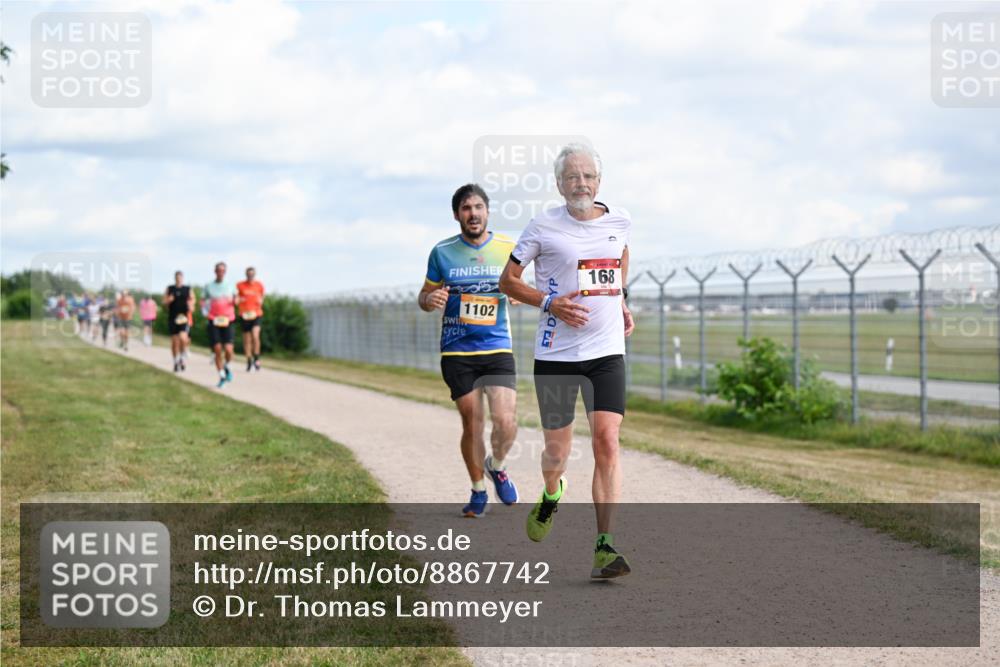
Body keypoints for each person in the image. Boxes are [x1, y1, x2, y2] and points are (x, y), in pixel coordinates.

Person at [499, 143, 635, 579]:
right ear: (559, 184)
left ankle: (604, 545)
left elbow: (620, 257)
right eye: (573, 177)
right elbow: (509, 281)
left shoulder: (620, 221)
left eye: (589, 176)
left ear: (599, 181)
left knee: (607, 442)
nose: (582, 184)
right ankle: (552, 494)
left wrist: (621, 299)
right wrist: (550, 303)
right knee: (558, 451)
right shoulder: (542, 226)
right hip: (557, 355)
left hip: (607, 352)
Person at [418, 183, 519, 518]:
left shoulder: (507, 247)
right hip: (457, 349)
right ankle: (478, 490)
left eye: (478, 207)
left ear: (487, 211)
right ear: (456, 215)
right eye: (465, 208)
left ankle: (497, 465)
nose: (473, 214)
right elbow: (424, 295)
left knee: (506, 422)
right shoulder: (442, 252)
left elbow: (520, 283)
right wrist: (429, 300)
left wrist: (520, 293)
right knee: (472, 422)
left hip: (497, 345)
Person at [204, 262, 238, 388]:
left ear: (225, 272)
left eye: (223, 270)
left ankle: (227, 366)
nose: (220, 272)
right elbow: (203, 301)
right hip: (214, 320)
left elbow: (237, 299)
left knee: (229, 349)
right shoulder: (209, 286)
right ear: (215, 271)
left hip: (228, 320)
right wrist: (204, 310)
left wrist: (235, 300)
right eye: (218, 270)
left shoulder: (230, 286)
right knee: (217, 349)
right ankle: (222, 375)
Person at [236, 267, 265, 372]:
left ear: (255, 274)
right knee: (247, 340)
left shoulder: (259, 285)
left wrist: (260, 301)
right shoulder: (240, 285)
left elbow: (262, 298)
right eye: (249, 274)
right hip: (245, 315)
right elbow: (236, 299)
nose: (250, 276)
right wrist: (239, 300)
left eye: (252, 274)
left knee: (255, 335)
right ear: (246, 274)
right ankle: (249, 360)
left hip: (256, 314)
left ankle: (257, 358)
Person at [164, 271, 194, 372]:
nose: (178, 279)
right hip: (172, 317)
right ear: (175, 278)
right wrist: (169, 300)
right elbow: (164, 302)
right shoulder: (170, 288)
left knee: (183, 338)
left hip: (183, 318)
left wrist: (191, 304)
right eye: (177, 277)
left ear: (182, 278)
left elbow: (193, 299)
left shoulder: (187, 289)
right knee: (174, 341)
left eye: (180, 277)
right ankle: (175, 361)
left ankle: (182, 357)